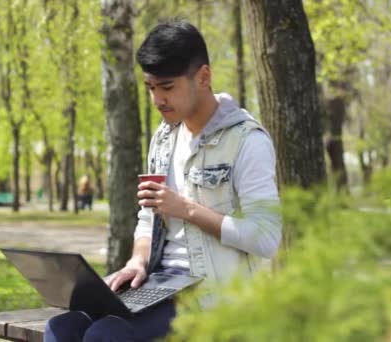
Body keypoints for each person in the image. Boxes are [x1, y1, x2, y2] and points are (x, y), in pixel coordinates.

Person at [44, 20, 282, 342]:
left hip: (214, 295)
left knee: (106, 335)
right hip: (158, 286)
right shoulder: (164, 139)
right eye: (150, 88)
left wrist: (186, 209)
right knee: (62, 327)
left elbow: (266, 238)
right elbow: (148, 218)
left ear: (204, 77)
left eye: (167, 87)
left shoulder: (246, 141)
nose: (157, 99)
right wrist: (137, 261)